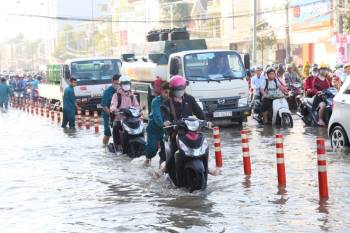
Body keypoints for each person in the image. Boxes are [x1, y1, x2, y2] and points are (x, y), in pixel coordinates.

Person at [162, 75, 208, 186]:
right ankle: (173, 178)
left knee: (204, 149)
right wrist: (167, 122)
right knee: (173, 155)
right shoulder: (167, 104)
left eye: (182, 89)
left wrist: (206, 121)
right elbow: (165, 117)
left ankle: (207, 170)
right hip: (176, 134)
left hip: (192, 133)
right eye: (178, 89)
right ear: (172, 90)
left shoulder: (189, 99)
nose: (180, 92)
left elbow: (200, 114)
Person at [110, 75, 139, 151]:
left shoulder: (132, 96)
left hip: (131, 119)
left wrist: (139, 111)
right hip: (120, 119)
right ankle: (118, 145)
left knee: (141, 126)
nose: (126, 85)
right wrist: (114, 110)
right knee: (116, 126)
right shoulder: (116, 95)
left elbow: (137, 106)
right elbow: (113, 104)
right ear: (120, 84)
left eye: (127, 83)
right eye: (124, 83)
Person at [145, 82, 170, 165]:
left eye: (169, 92)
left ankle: (160, 170)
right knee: (151, 151)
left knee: (165, 153)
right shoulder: (155, 101)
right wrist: (162, 124)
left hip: (166, 130)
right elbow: (157, 115)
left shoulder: (172, 101)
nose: (167, 95)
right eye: (166, 92)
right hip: (153, 129)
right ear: (162, 91)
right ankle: (147, 160)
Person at [101, 74, 120, 147]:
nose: (117, 85)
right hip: (108, 114)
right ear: (112, 81)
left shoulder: (123, 91)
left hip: (119, 115)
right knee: (108, 132)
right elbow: (104, 106)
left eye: (119, 84)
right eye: (116, 83)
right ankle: (104, 146)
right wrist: (111, 115)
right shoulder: (107, 91)